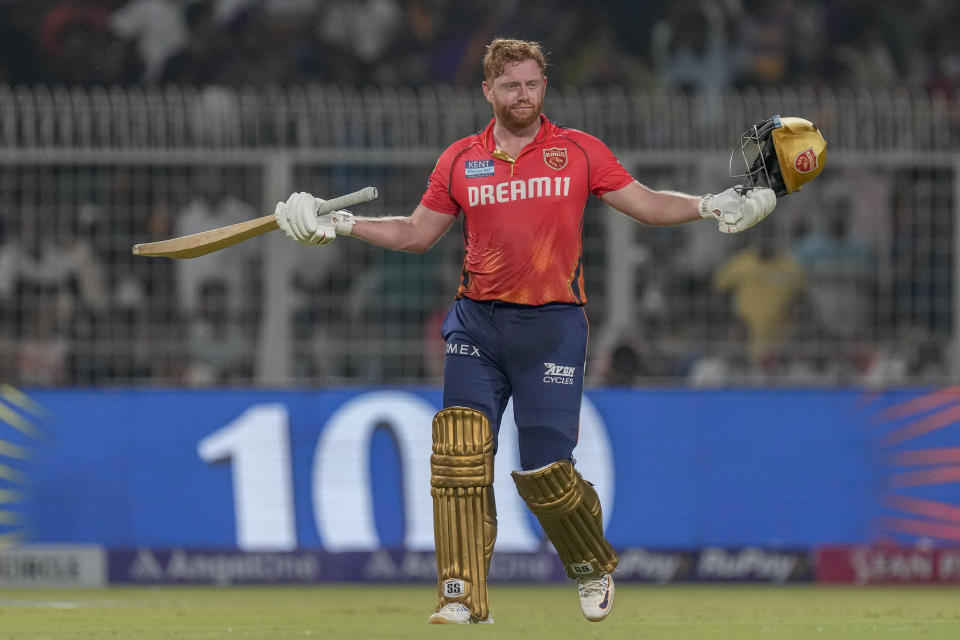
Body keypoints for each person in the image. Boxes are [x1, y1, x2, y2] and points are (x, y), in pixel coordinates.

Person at [273, 38, 777, 625]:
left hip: (552, 327)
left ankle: (590, 564)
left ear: (544, 86)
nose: (523, 96)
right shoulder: (461, 160)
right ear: (488, 90)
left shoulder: (578, 151)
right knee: (459, 452)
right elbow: (415, 233)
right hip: (477, 325)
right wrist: (341, 224)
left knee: (547, 474)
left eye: (532, 84)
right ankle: (461, 593)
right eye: (510, 86)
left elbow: (644, 203)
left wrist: (710, 205)